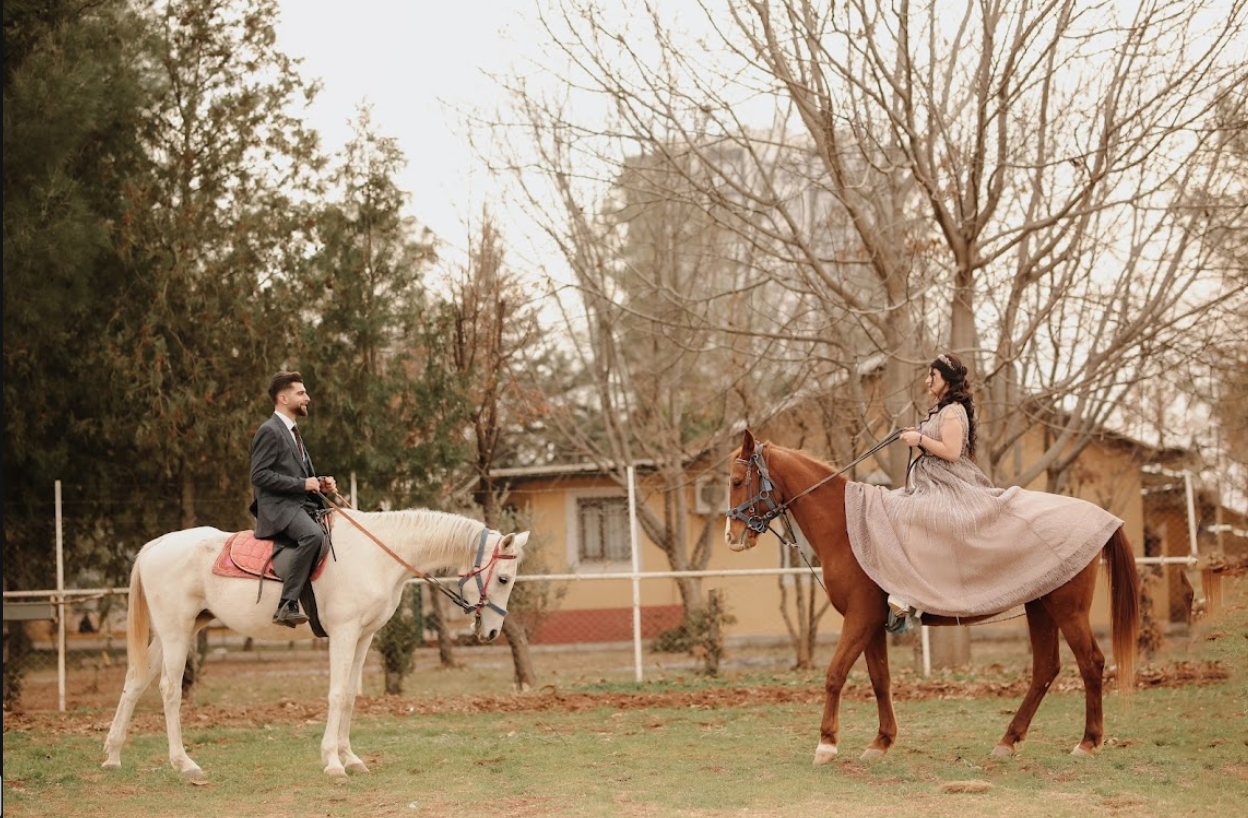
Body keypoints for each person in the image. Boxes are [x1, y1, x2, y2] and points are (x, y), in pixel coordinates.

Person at [844, 352, 1122, 633]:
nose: (927, 380)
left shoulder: (953, 411)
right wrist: (918, 433)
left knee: (914, 515)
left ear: (947, 380)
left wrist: (921, 439)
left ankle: (911, 596)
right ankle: (904, 590)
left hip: (948, 484)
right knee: (895, 507)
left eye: (933, 375)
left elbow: (952, 453)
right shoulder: (941, 409)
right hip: (931, 481)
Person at [250, 371, 337, 627]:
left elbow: (299, 474)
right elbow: (259, 475)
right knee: (313, 536)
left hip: (299, 504)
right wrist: (302, 484)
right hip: (278, 509)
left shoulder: (293, 432)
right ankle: (286, 605)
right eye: (301, 393)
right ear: (283, 397)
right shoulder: (270, 431)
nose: (307, 398)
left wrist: (320, 482)